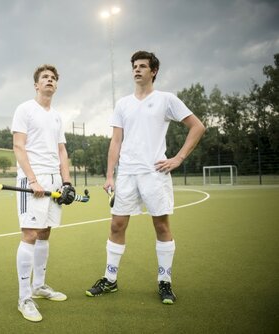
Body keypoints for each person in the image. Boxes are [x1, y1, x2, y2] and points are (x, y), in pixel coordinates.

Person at [85, 51, 205, 304]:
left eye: (142, 66)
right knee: (117, 225)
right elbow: (116, 141)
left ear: (154, 71)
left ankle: (165, 281)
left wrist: (178, 158)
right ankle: (110, 279)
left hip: (154, 173)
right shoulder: (123, 104)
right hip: (126, 174)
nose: (137, 70)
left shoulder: (166, 99)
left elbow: (198, 126)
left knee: (161, 226)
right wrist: (109, 175)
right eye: (134, 66)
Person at [11, 64, 75, 322]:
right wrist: (33, 180)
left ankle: (39, 286)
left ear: (56, 85)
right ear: (36, 85)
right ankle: (24, 297)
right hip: (32, 180)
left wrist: (67, 182)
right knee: (30, 233)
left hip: (54, 181)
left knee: (45, 232)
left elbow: (62, 151)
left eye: (53, 78)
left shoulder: (57, 116)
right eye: (44, 78)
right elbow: (18, 146)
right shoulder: (24, 109)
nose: (49, 80)